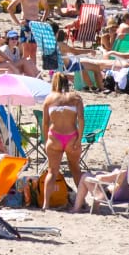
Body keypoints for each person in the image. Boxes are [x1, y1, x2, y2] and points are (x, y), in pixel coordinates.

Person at [42, 71, 84, 210]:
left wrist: (45, 140)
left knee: (52, 172)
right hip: (71, 137)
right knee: (76, 170)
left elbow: (45, 123)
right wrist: (79, 139)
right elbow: (81, 120)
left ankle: (46, 205)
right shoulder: (76, 98)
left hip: (54, 137)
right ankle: (81, 202)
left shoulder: (49, 99)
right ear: (68, 82)